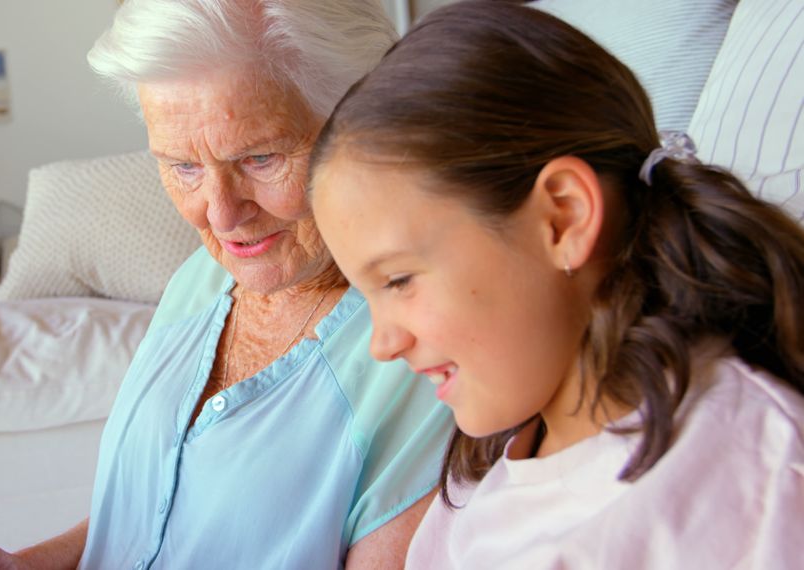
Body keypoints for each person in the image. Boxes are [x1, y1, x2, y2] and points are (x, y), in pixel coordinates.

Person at [0, 1, 453, 568]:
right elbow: (157, 512)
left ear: (368, 125)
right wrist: (22, 565)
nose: (221, 215)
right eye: (183, 167)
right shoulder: (203, 278)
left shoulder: (428, 359)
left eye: (259, 157)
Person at [309, 2, 804, 568]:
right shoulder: (478, 486)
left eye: (398, 280)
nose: (382, 343)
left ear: (563, 218)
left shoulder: (755, 485)